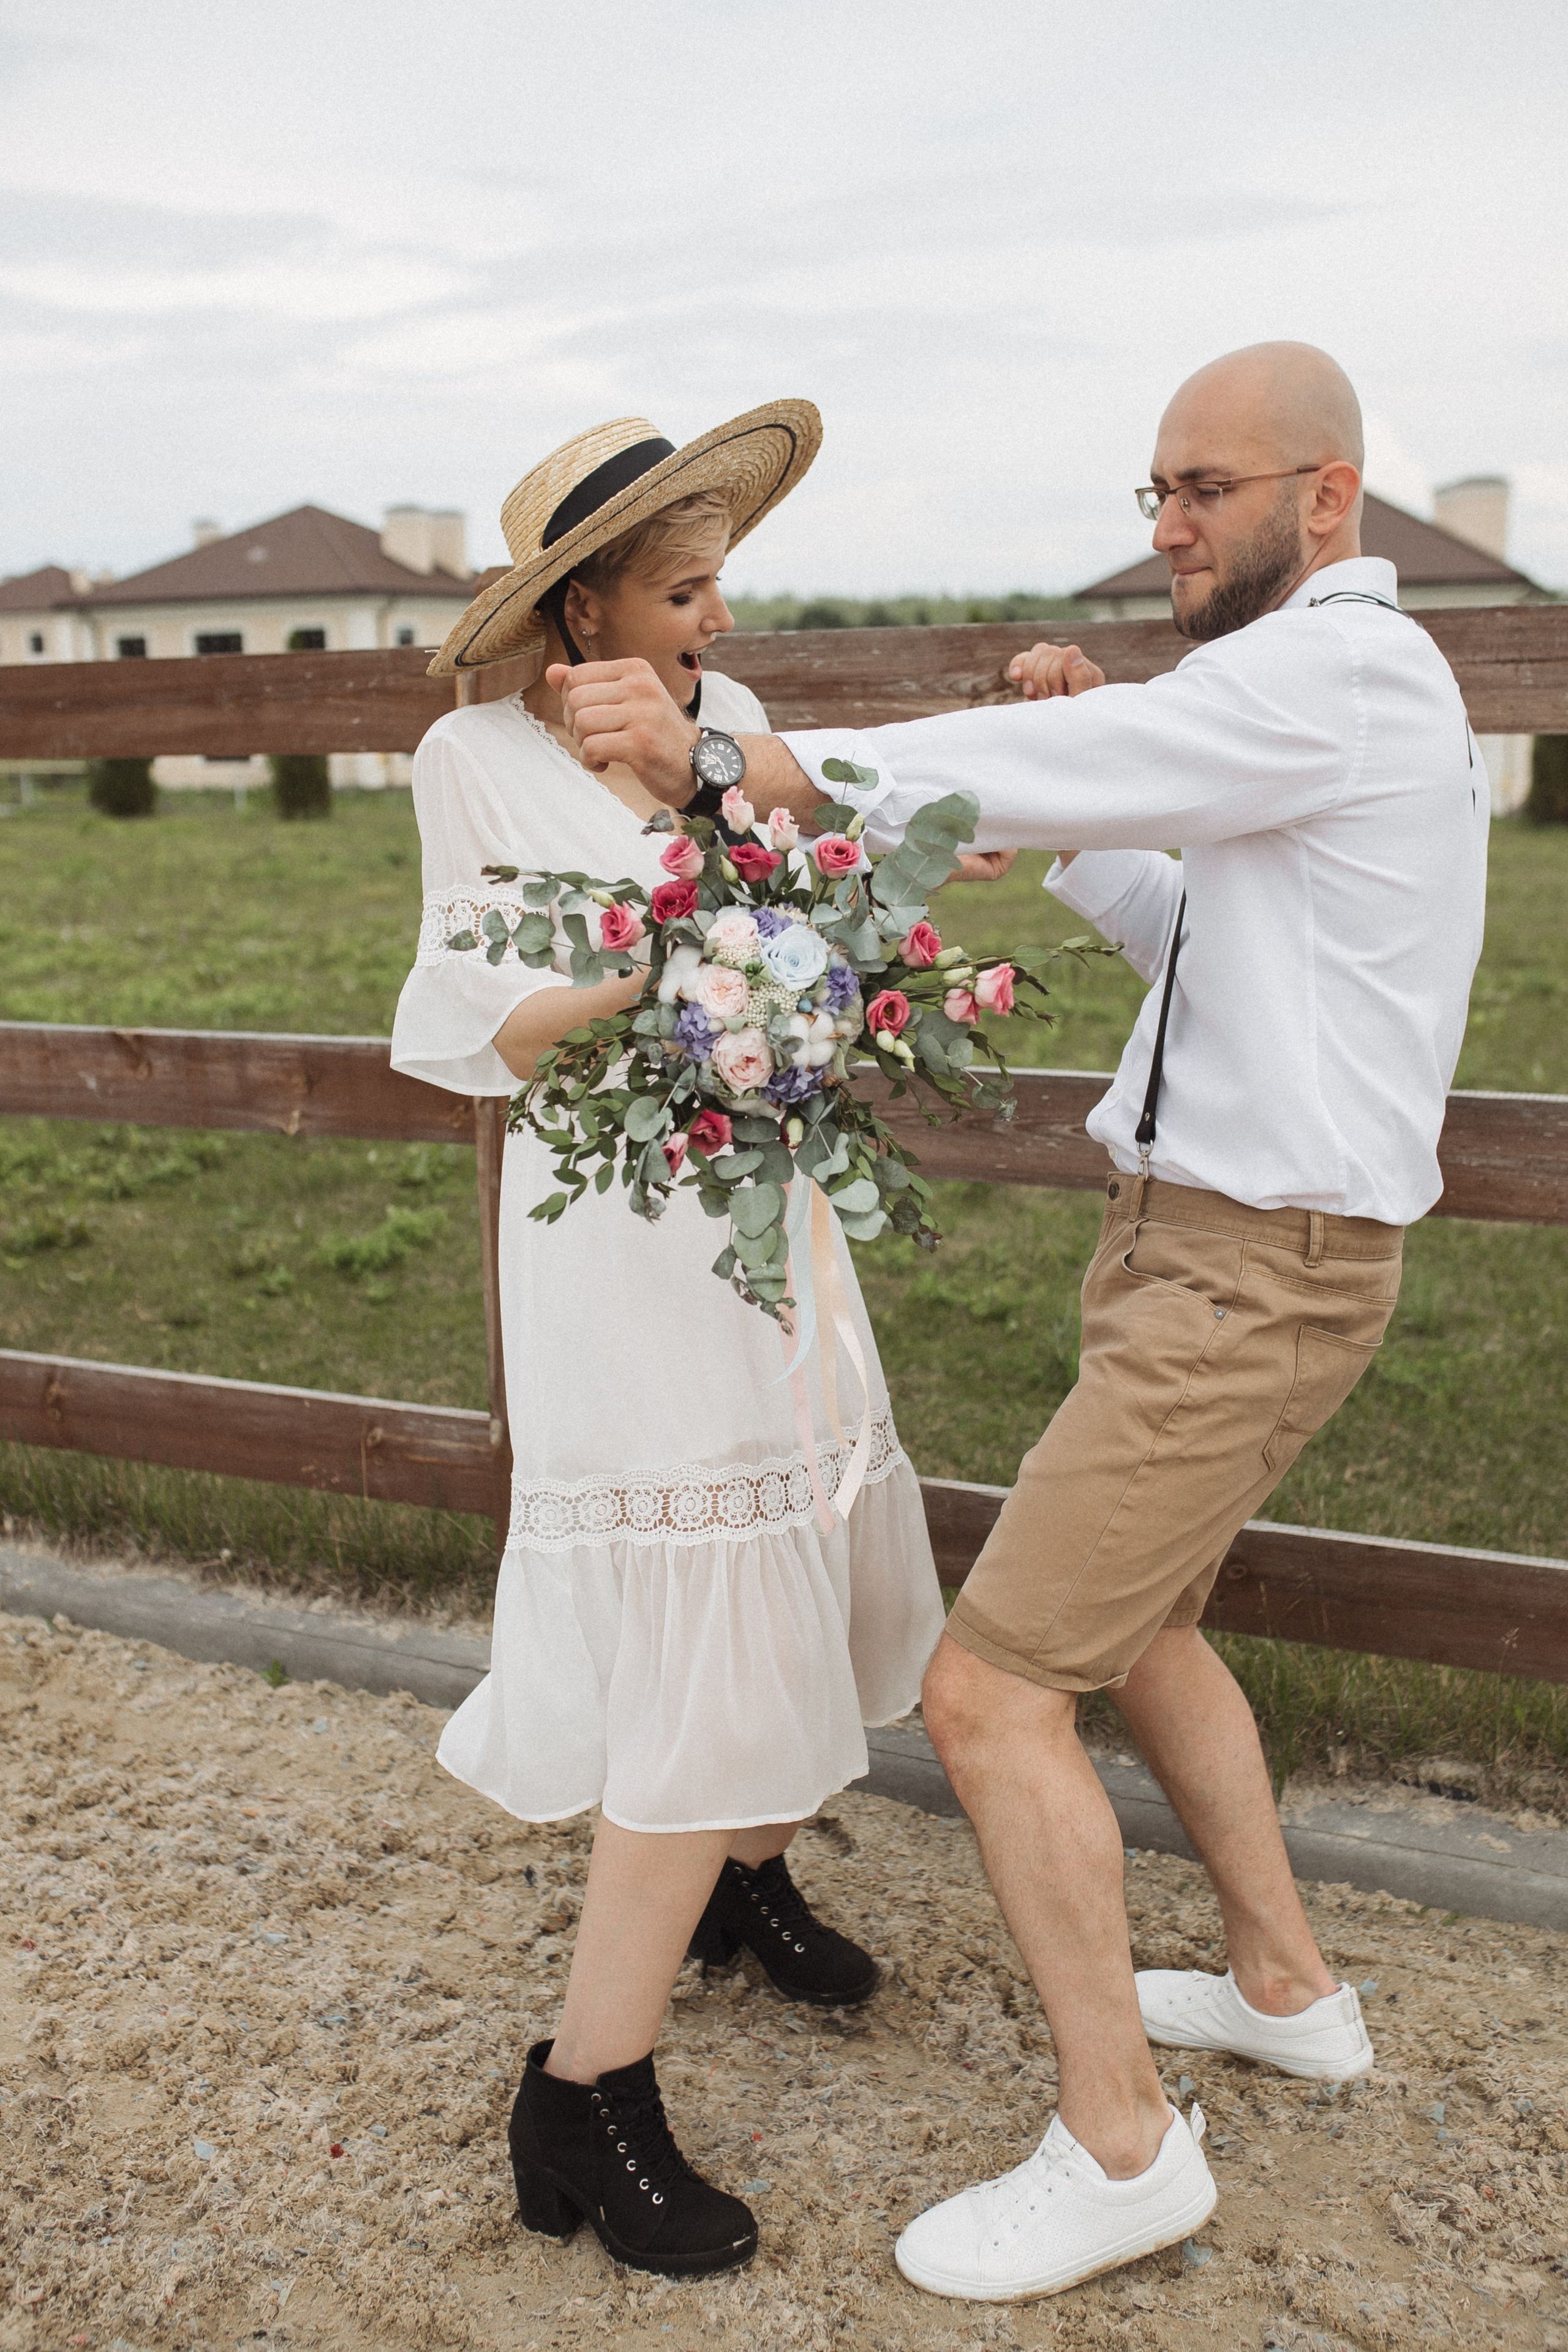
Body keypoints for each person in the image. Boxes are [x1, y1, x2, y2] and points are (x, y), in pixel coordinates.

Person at [546, 343, 1490, 2300]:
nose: (1165, 525)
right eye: (1154, 489)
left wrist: (741, 757)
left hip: (1252, 1273)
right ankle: (1287, 1988)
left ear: (1331, 498)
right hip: (1203, 1249)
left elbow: (1071, 764)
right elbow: (1193, 916)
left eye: (1207, 489)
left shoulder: (1340, 667)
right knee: (1144, 1625)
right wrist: (1090, 797)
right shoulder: (1299, 701)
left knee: (991, 1695)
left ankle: (1124, 2144)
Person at [390, 402, 948, 2283]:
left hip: (764, 1220)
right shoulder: (472, 760)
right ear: (582, 615)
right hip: (621, 1253)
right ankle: (583, 2088)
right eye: (686, 593)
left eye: (722, 592)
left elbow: (840, 894)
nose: (716, 622)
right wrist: (681, 976)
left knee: (801, 1544)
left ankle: (745, 1876)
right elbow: (491, 1015)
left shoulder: (720, 724)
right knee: (703, 1575)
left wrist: (727, 815)